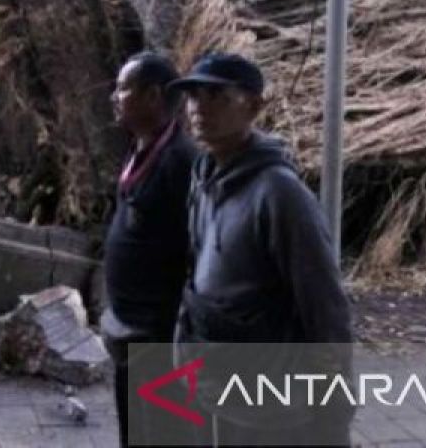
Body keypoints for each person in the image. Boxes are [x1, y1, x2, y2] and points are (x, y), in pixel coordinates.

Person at [171, 52, 353, 446]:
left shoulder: (278, 193)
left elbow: (324, 302)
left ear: (253, 106)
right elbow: (197, 273)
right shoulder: (204, 177)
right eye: (193, 96)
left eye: (217, 96)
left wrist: (336, 397)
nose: (199, 107)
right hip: (211, 376)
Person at [101, 51, 196, 447]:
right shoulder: (140, 148)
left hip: (160, 335)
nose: (114, 96)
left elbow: (197, 249)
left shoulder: (180, 162)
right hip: (129, 330)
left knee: (164, 433)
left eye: (123, 88)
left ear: (154, 96)